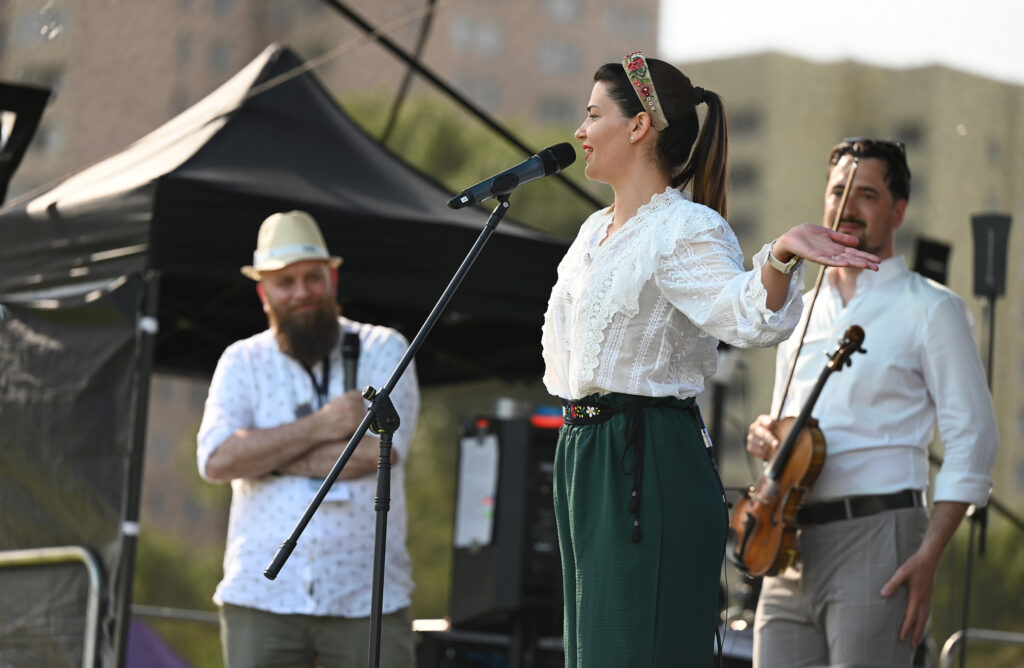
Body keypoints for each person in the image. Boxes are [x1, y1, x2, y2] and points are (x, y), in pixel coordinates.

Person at [540, 52, 881, 668]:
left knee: (632, 648)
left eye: (593, 115)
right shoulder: (592, 231)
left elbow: (745, 313)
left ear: (639, 126)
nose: (580, 131)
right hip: (584, 456)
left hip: (645, 455)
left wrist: (778, 255)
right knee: (591, 651)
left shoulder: (683, 228)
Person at [745, 138, 999, 667]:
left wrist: (928, 556)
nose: (848, 207)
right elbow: (782, 429)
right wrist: (765, 438)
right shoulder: (800, 310)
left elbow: (974, 441)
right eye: (839, 191)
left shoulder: (932, 308)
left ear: (898, 209)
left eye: (867, 194)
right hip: (787, 543)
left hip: (880, 537)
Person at [197, 210, 420, 668]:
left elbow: (379, 455)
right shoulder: (240, 360)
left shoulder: (384, 347)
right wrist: (323, 424)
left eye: (312, 278)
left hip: (367, 593)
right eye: (285, 282)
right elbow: (217, 460)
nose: (301, 293)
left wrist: (263, 455)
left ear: (332, 278)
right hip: (261, 593)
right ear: (264, 293)